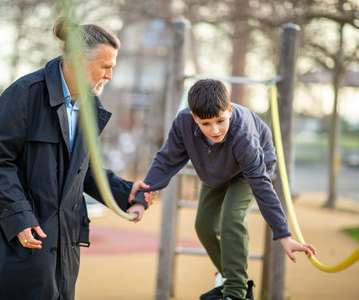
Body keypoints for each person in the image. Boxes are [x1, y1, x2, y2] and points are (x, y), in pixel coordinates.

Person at [0, 17, 156, 300]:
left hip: (64, 246)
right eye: (105, 67)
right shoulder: (24, 94)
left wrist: (125, 191)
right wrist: (20, 218)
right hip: (18, 239)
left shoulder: (90, 106)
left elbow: (80, 171)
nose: (110, 76)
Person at [132, 79, 316, 300]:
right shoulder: (183, 123)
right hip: (215, 171)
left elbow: (261, 184)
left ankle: (236, 292)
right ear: (193, 117)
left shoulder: (243, 135)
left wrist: (283, 234)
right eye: (205, 124)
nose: (215, 130)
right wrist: (141, 199)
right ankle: (234, 278)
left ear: (229, 110)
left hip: (248, 171)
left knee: (231, 217)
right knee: (204, 226)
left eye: (220, 120)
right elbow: (165, 160)